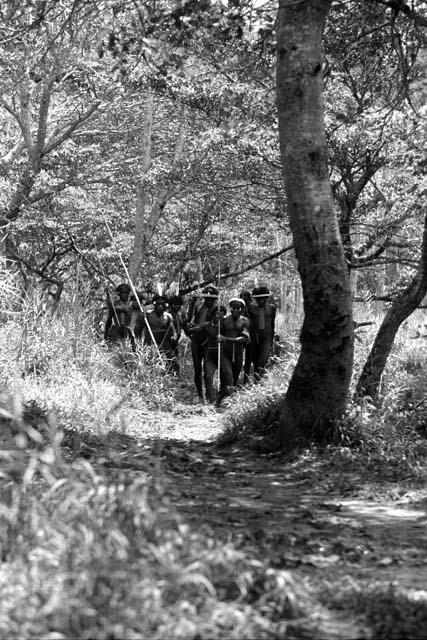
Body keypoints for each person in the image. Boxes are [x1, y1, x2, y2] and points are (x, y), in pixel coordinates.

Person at [216, 297, 250, 407]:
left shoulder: (245, 321)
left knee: (234, 379)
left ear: (242, 309)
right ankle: (228, 403)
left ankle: (221, 398)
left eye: (238, 308)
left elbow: (244, 339)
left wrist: (226, 339)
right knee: (228, 376)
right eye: (233, 308)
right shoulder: (224, 319)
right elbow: (217, 332)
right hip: (225, 353)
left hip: (238, 353)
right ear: (230, 309)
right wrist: (218, 320)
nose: (235, 310)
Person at [187, 285, 219, 403]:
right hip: (196, 340)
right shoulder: (198, 306)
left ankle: (210, 396)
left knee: (207, 371)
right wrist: (191, 305)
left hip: (209, 342)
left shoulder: (218, 308)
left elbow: (212, 324)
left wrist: (199, 327)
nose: (208, 301)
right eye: (206, 299)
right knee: (197, 369)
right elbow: (191, 320)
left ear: (215, 299)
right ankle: (200, 396)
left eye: (211, 299)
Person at [246, 285, 276, 381]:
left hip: (266, 337)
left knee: (262, 360)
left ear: (267, 298)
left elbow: (272, 324)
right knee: (255, 361)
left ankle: (259, 379)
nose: (260, 301)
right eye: (258, 299)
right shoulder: (251, 308)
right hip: (254, 337)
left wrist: (271, 341)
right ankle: (257, 381)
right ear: (255, 299)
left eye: (263, 298)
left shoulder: (271, 308)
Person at [143, 294, 178, 370]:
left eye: (162, 304)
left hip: (164, 343)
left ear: (165, 305)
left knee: (173, 361)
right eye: (158, 304)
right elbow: (139, 328)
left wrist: (174, 337)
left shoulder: (168, 316)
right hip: (150, 343)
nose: (160, 306)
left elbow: (173, 331)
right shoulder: (148, 314)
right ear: (154, 304)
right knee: (148, 363)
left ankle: (174, 377)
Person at [203, 305, 227, 404]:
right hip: (210, 352)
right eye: (216, 312)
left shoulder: (227, 324)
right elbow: (197, 328)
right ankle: (210, 399)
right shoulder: (208, 325)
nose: (219, 313)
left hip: (223, 354)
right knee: (208, 376)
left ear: (224, 313)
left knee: (225, 376)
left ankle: (221, 398)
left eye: (221, 311)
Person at [103, 282, 136, 350]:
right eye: (123, 293)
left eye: (126, 293)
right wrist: (105, 335)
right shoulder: (115, 304)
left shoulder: (132, 305)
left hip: (128, 332)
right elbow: (109, 320)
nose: (125, 295)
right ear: (119, 294)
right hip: (116, 331)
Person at [168, 295, 189, 376]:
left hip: (177, 342)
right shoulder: (168, 314)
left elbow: (185, 324)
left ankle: (175, 376)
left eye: (179, 304)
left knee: (175, 359)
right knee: (171, 360)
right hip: (168, 342)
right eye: (175, 304)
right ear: (171, 305)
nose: (177, 306)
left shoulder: (179, 315)